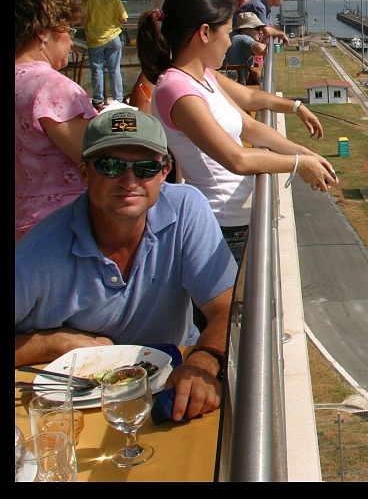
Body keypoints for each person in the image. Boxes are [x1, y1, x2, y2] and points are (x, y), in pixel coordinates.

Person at [15, 109, 237, 421]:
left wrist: (203, 360)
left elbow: (226, 306)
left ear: (165, 173)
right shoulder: (36, 258)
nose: (129, 180)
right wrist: (55, 344)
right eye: (111, 166)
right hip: (79, 411)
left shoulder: (187, 209)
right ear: (84, 172)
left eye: (145, 167)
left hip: (173, 382)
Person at [136, 0, 336, 261]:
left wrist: (304, 150)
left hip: (237, 218)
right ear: (205, 33)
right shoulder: (177, 90)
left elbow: (250, 124)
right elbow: (237, 159)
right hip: (223, 225)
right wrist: (298, 164)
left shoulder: (201, 76)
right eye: (228, 33)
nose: (230, 42)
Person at [15, 0, 98, 243]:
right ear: (43, 34)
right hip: (61, 225)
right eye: (67, 30)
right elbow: (93, 155)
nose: (71, 40)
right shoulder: (49, 85)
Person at [81, 0, 128, 110]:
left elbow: (80, 17)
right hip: (113, 37)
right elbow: (123, 18)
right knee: (115, 70)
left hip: (95, 39)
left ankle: (98, 99)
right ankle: (118, 99)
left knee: (97, 70)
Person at [222, 11, 268, 84]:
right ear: (245, 29)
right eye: (258, 28)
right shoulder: (244, 38)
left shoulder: (234, 37)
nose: (261, 32)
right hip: (236, 86)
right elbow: (261, 49)